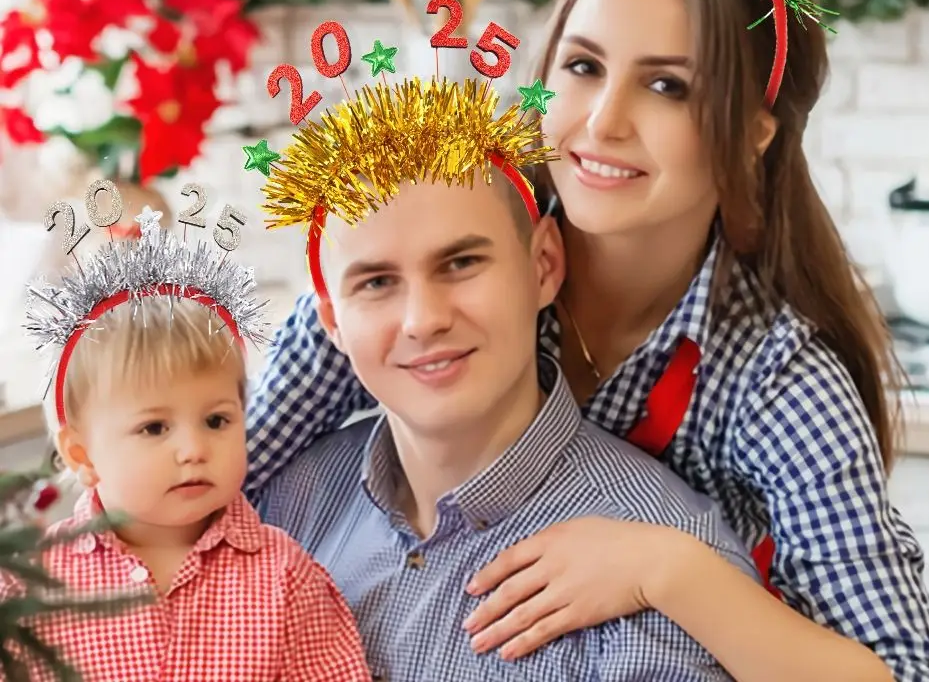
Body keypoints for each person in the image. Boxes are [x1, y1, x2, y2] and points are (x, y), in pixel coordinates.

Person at [245, 0, 929, 682]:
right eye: (582, 67)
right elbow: (212, 489)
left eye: (668, 86)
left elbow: (909, 674)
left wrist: (669, 569)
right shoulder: (445, 236)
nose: (604, 120)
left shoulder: (776, 380)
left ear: (750, 134)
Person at [252, 162, 765, 681]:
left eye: (460, 263)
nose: (423, 319)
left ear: (542, 265)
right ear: (334, 322)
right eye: (378, 282)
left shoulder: (661, 581)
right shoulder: (282, 506)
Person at [5, 224, 371, 682]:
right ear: (83, 455)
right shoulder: (30, 587)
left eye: (217, 421)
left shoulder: (288, 578)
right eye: (154, 427)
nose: (194, 449)